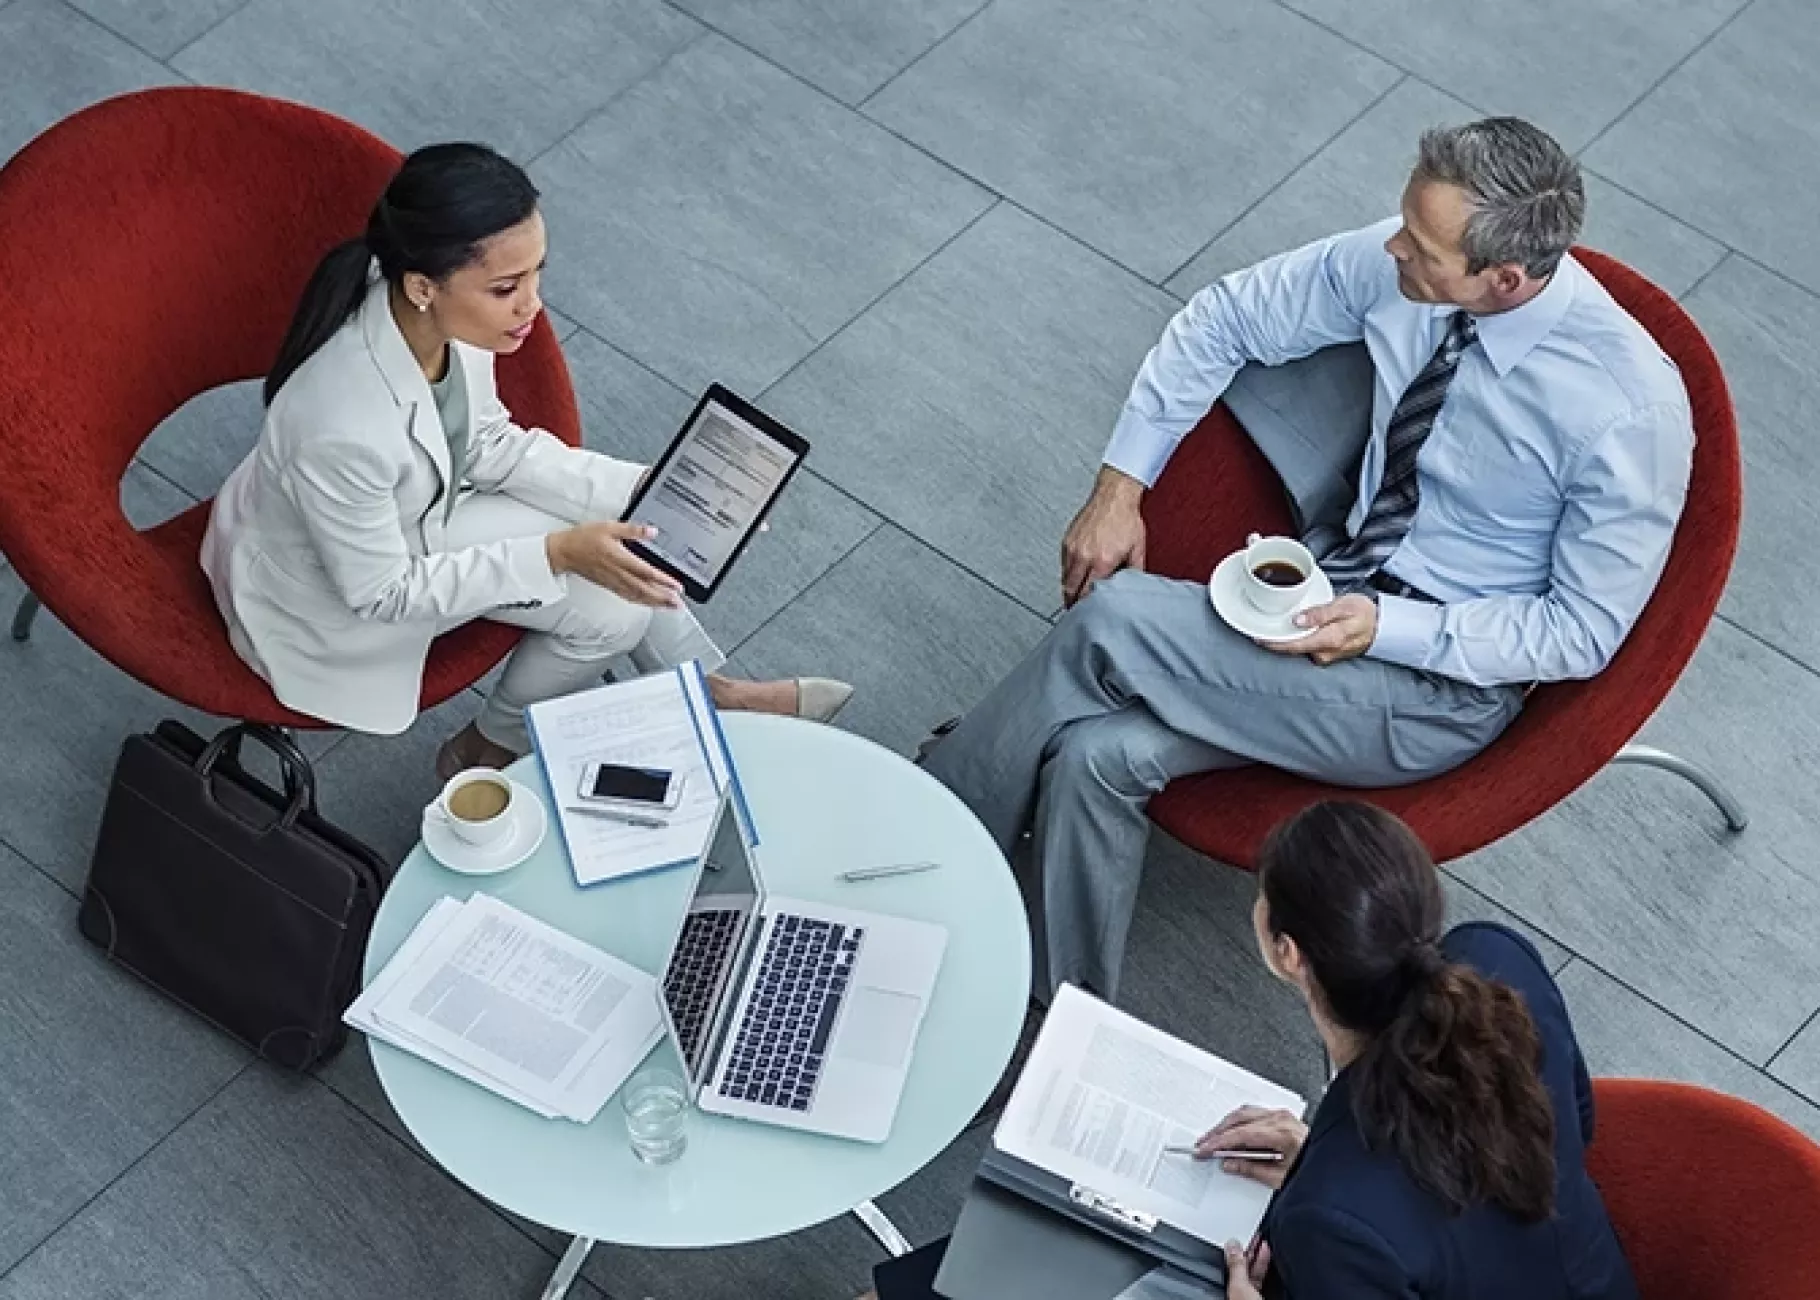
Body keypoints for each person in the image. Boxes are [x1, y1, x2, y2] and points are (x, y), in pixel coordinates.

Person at [919, 117, 1691, 1001]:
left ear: (1505, 279)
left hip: (1431, 689)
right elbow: (1226, 316)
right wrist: (1118, 489)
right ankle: (1066, 1031)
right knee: (1100, 755)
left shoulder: (1630, 411)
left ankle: (918, 843)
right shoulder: (1404, 262)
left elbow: (1582, 632)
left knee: (1111, 621)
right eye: (1404, 220)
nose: (1394, 245)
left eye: (1423, 245)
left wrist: (1387, 628)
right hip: (1326, 586)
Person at [201, 143, 851, 778]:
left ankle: (503, 746)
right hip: (331, 598)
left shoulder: (435, 316)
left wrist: (649, 490)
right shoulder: (341, 425)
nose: (531, 305)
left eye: (537, 273)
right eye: (507, 286)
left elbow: (489, 445)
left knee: (621, 581)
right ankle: (508, 749)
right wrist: (559, 554)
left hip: (414, 514)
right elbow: (381, 592)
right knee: (610, 606)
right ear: (424, 285)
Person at [862, 801, 1639, 1300]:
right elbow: (1576, 1124)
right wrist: (1326, 1164)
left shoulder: (1334, 1218)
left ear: (1287, 952)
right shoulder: (1497, 960)